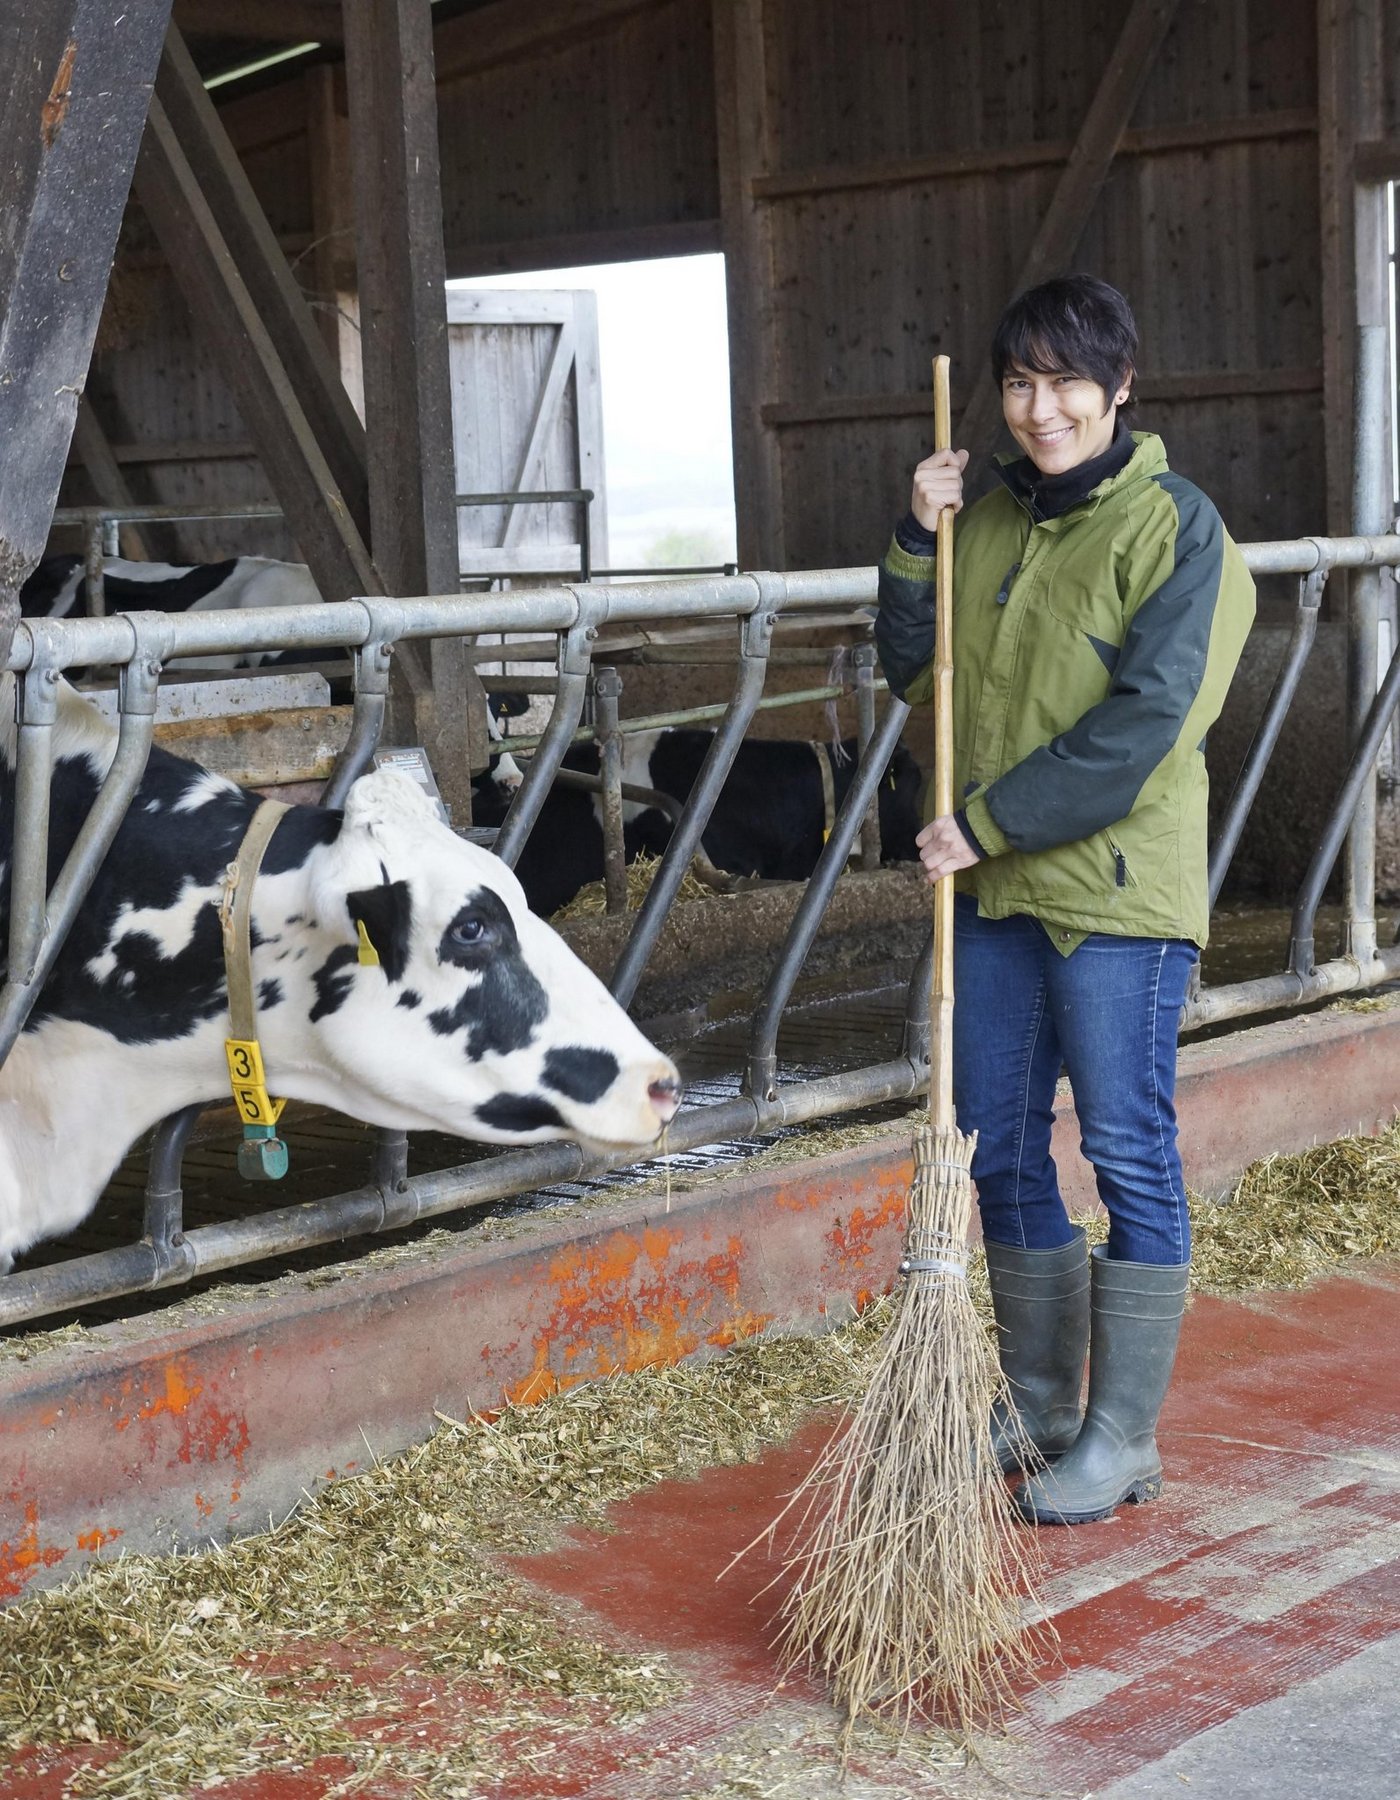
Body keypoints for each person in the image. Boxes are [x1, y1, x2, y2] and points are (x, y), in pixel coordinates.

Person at [873, 275, 1256, 1525]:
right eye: (1021, 384)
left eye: (1067, 383)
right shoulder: (979, 520)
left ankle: (1120, 1437)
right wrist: (908, 543)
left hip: (1114, 897)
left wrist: (981, 822)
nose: (1042, 410)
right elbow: (908, 673)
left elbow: (1146, 727)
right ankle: (1038, 1400)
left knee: (1127, 1151)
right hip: (991, 895)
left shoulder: (1180, 534)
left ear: (1120, 388)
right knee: (994, 1140)